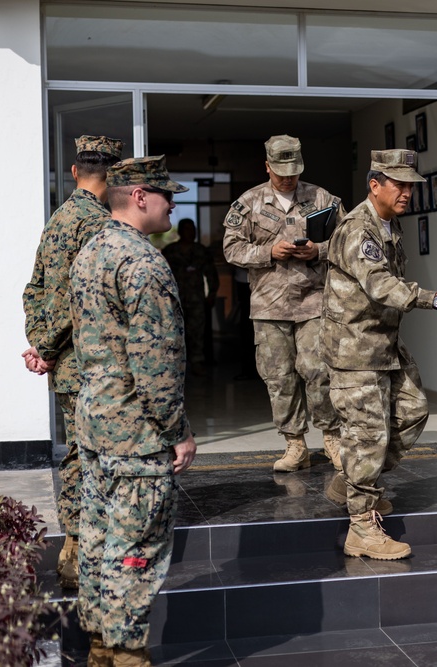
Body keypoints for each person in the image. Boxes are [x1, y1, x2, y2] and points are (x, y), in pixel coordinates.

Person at [70, 155, 195, 667]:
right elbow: (156, 364)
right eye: (167, 195)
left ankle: (100, 644)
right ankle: (125, 653)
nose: (173, 204)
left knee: (99, 540)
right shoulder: (142, 262)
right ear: (140, 196)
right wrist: (177, 433)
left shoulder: (92, 251)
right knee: (135, 549)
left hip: (96, 425)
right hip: (137, 435)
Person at [320, 149, 437, 560]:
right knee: (368, 436)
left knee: (412, 411)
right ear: (375, 185)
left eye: (411, 185)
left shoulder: (389, 224)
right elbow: (381, 286)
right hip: (355, 349)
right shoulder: (358, 228)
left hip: (383, 341)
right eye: (399, 184)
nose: (408, 192)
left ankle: (353, 481)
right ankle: (362, 528)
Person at [21, 134, 123, 589]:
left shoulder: (58, 218)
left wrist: (39, 344)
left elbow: (36, 290)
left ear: (75, 172)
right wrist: (46, 346)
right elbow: (76, 302)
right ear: (116, 176)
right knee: (89, 459)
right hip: (88, 364)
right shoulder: (99, 225)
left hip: (64, 363)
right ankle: (79, 556)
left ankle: (74, 552)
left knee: (79, 455)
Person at [223, 135, 345, 473]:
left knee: (319, 370)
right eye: (280, 172)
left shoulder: (322, 197)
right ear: (267, 167)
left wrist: (318, 251)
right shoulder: (248, 203)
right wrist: (268, 252)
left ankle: (332, 437)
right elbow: (231, 249)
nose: (288, 178)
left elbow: (347, 240)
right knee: (279, 377)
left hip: (313, 301)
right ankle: (295, 444)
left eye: (293, 171)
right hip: (269, 305)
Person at [161, 218, 220, 376]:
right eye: (187, 229)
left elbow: (211, 274)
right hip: (175, 300)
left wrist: (212, 293)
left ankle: (197, 362)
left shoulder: (201, 250)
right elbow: (162, 277)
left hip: (196, 299)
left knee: (197, 333)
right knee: (174, 332)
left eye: (192, 228)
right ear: (180, 231)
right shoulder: (170, 251)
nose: (190, 232)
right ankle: (174, 365)